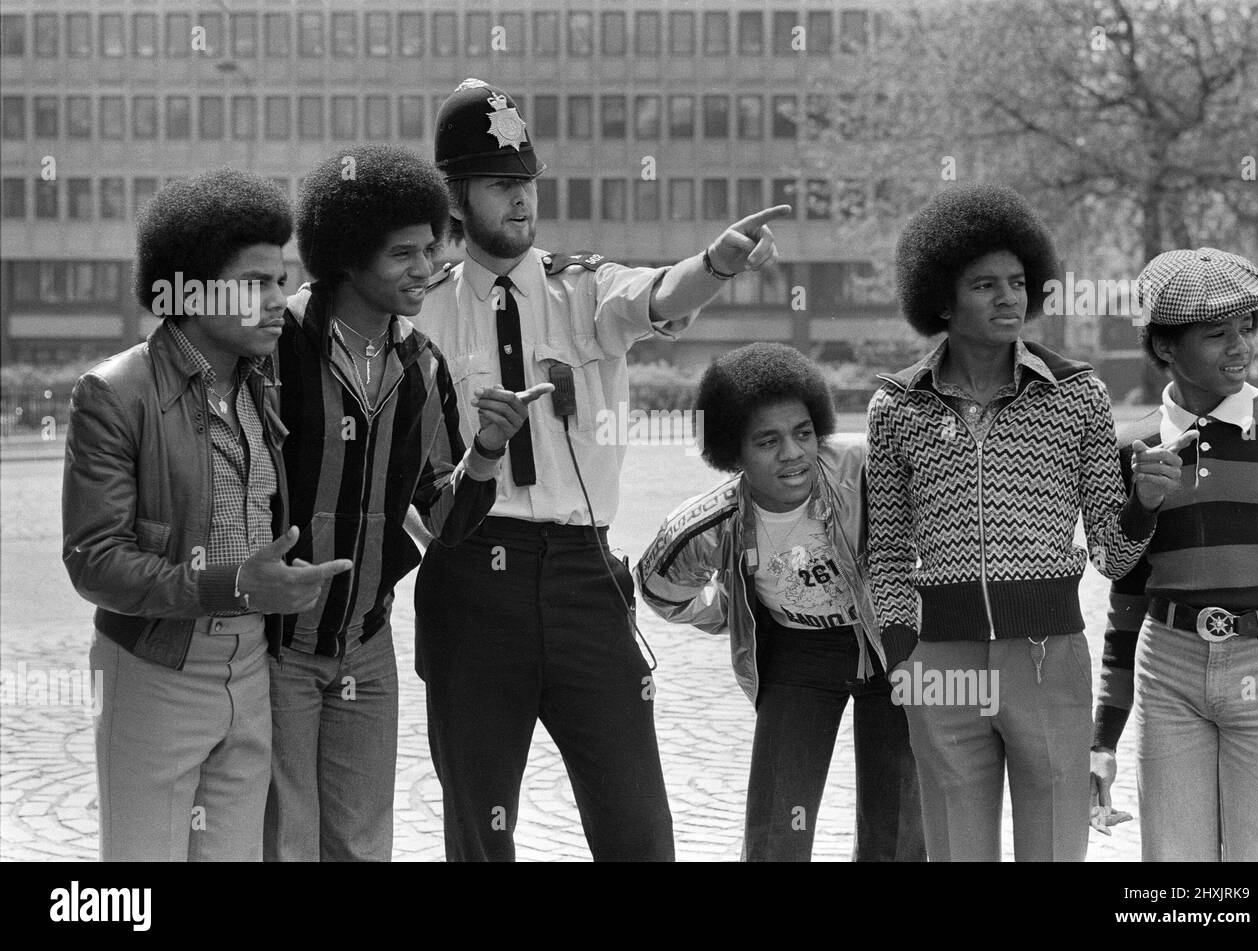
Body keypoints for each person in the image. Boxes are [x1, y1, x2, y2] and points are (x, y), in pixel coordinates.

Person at [410, 78, 790, 861]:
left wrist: (717, 261)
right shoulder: (423, 312)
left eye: (526, 184)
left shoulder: (581, 289)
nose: (520, 201)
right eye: (499, 185)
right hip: (473, 583)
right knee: (479, 833)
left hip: (585, 578)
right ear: (458, 197)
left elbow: (656, 294)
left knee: (638, 829)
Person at [865, 183, 1188, 861]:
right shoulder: (896, 407)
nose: (1009, 297)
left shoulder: (1076, 394)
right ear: (942, 300)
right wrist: (903, 653)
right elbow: (888, 552)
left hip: (1048, 659)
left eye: (1017, 281)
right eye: (984, 285)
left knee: (1053, 849)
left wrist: (1143, 503)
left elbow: (1112, 551)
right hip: (939, 666)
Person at [264, 144, 547, 862]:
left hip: (366, 646)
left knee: (362, 847)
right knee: (283, 845)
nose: (426, 269)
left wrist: (485, 452)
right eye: (402, 255)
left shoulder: (422, 365)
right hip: (274, 650)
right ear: (345, 258)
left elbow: (441, 519)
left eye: (429, 248)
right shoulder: (274, 351)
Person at [62, 168, 352, 861]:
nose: (279, 300)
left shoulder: (261, 385)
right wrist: (235, 584)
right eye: (256, 283)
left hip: (250, 668)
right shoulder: (114, 393)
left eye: (281, 280)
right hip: (156, 666)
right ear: (190, 290)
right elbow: (95, 560)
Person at [637, 343, 925, 861]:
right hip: (798, 654)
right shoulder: (712, 524)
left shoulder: (865, 468)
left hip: (897, 649)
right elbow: (660, 587)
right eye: (767, 441)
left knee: (900, 827)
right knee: (778, 828)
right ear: (732, 452)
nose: (792, 453)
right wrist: (734, 609)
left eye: (804, 433)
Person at [1091, 247, 1258, 862]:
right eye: (1216, 334)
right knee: (1173, 865)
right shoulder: (1131, 446)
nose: (1240, 347)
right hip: (1168, 669)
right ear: (1163, 348)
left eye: (1246, 328)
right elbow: (1124, 595)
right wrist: (1104, 737)